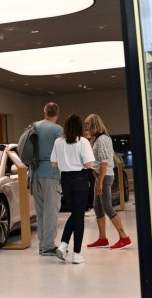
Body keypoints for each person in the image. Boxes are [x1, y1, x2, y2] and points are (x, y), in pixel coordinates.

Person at [50, 114, 95, 264]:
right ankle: (76, 254)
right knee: (79, 216)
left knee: (75, 213)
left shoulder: (58, 142)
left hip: (65, 180)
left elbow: (54, 164)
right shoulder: (83, 142)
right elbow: (89, 164)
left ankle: (63, 244)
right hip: (80, 178)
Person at [85, 114, 132, 249]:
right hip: (99, 176)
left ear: (94, 125)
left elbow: (104, 162)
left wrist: (99, 182)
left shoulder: (103, 139)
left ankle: (124, 237)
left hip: (104, 177)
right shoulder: (97, 139)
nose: (86, 128)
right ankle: (102, 238)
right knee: (98, 207)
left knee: (107, 207)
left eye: (88, 125)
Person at [31, 102, 64, 256]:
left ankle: (42, 245)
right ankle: (48, 246)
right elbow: (62, 153)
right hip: (51, 172)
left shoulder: (34, 126)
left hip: (34, 173)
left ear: (44, 112)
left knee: (41, 212)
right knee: (51, 211)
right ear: (57, 114)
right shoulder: (58, 130)